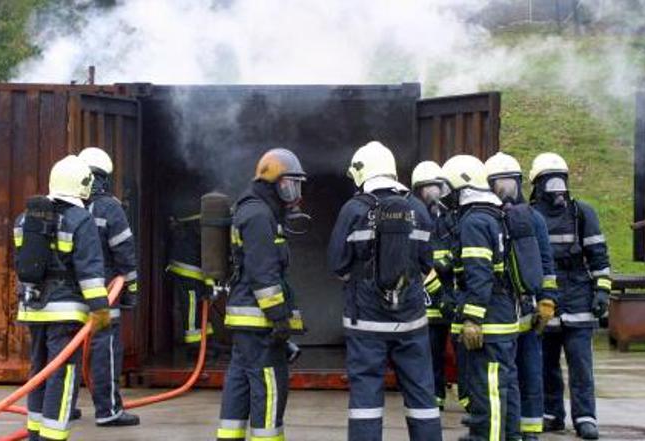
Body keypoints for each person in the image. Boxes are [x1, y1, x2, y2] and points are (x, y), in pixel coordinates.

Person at [328, 141, 442, 441]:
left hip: (365, 324)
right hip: (411, 322)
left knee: (366, 400)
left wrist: (362, 281)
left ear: (361, 172)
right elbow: (426, 263)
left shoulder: (353, 209)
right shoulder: (417, 208)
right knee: (422, 397)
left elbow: (337, 264)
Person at [14, 155, 111, 441]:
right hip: (66, 312)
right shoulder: (81, 219)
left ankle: (35, 433)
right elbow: (90, 272)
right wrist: (100, 309)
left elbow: (22, 263)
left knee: (39, 370)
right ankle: (53, 435)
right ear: (83, 185)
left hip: (33, 308)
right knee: (63, 374)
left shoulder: (25, 218)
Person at [216, 148, 307, 441]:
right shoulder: (258, 214)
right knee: (269, 388)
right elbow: (263, 274)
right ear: (274, 182)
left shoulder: (254, 209)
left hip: (247, 321)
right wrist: (279, 318)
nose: (294, 193)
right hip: (259, 323)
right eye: (291, 184)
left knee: (239, 384)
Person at [529, 153, 611, 440]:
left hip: (578, 297)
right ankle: (551, 415)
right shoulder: (530, 216)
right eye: (549, 180)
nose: (556, 187)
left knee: (580, 365)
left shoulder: (582, 213)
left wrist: (602, 291)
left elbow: (599, 256)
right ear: (537, 185)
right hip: (546, 297)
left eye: (560, 180)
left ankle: (585, 418)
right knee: (545, 363)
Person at [440, 154, 518, 441]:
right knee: (502, 386)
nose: (445, 197)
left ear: (462, 188)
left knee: (489, 392)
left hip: (489, 321)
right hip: (502, 315)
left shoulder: (474, 222)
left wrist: (473, 317)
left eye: (448, 189)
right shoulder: (493, 216)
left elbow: (479, 273)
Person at [485, 152, 558, 441]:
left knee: (530, 373)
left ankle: (531, 430)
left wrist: (547, 300)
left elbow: (546, 262)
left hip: (528, 311)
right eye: (499, 184)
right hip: (500, 313)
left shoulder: (533, 219)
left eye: (510, 183)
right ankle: (508, 429)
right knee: (505, 377)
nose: (506, 190)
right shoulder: (487, 219)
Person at [76, 147, 141, 427]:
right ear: (105, 177)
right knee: (106, 348)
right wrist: (131, 290)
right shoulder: (109, 208)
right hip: (103, 296)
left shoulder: (67, 207)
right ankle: (108, 411)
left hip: (69, 296)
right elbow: (125, 254)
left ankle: (61, 408)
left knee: (65, 352)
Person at [411, 160, 457, 411]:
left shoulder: (452, 218)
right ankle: (435, 397)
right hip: (429, 299)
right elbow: (417, 260)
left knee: (464, 354)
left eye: (436, 188)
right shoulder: (415, 219)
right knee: (431, 353)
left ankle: (470, 399)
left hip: (452, 296)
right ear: (418, 191)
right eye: (427, 189)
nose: (433, 195)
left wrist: (450, 261)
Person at [166, 213, 215, 350]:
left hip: (185, 268)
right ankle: (195, 343)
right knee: (192, 304)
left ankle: (205, 340)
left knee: (197, 306)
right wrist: (210, 284)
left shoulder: (189, 225)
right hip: (190, 271)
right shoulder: (200, 229)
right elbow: (208, 258)